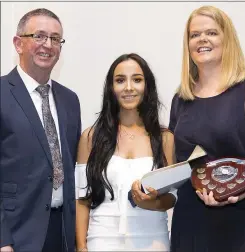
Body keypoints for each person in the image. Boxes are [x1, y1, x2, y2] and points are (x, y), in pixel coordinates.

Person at [168, 5, 245, 252]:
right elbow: (178, 164)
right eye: (194, 35)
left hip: (240, 221)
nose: (202, 39)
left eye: (211, 32)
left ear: (228, 39)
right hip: (189, 221)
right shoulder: (180, 99)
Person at [75, 53, 176, 251]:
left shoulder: (165, 138)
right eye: (120, 80)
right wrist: (81, 247)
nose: (129, 87)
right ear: (111, 88)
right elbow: (82, 200)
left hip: (153, 240)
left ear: (147, 86)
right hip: (101, 240)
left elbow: (171, 198)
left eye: (137, 80)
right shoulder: (91, 137)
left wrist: (151, 203)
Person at [0, 8, 81, 252]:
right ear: (18, 43)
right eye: (39, 36)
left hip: (62, 234)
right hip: (16, 234)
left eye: (55, 39)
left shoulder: (70, 100)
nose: (48, 44)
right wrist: (2, 240)